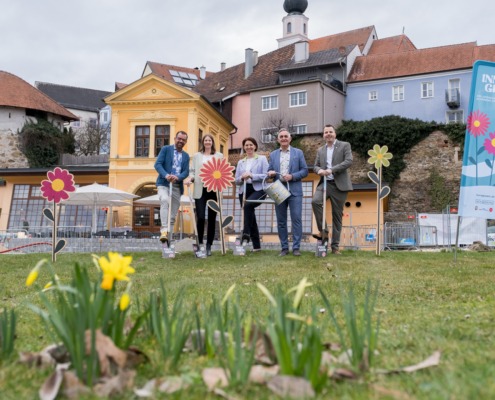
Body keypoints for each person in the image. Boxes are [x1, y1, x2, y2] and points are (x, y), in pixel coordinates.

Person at [311, 124, 353, 255]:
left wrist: (331, 169)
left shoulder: (344, 145)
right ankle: (324, 232)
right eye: (325, 132)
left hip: (339, 185)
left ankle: (335, 247)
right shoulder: (320, 150)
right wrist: (320, 171)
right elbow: (315, 166)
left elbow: (348, 161)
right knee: (315, 202)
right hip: (325, 183)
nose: (328, 134)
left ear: (335, 133)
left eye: (330, 132)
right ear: (323, 135)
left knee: (337, 216)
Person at [267, 129, 308, 256]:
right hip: (278, 189)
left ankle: (296, 248)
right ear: (278, 139)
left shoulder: (298, 152)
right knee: (281, 221)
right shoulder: (273, 154)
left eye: (286, 136)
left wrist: (292, 176)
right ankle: (284, 248)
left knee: (296, 219)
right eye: (281, 137)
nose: (284, 138)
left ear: (290, 139)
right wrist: (270, 172)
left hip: (295, 190)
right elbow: (269, 171)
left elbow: (305, 171)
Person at [184, 134, 223, 256]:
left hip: (214, 190)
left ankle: (209, 245)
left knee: (212, 219)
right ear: (203, 142)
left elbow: (223, 171)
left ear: (212, 142)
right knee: (200, 217)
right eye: (205, 140)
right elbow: (193, 171)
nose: (207, 142)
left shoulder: (219, 156)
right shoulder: (197, 156)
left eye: (209, 140)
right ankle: (200, 242)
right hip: (200, 189)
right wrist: (190, 178)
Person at [154, 130, 190, 243]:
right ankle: (164, 230)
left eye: (183, 140)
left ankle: (167, 241)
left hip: (176, 186)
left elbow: (186, 172)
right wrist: (166, 175)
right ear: (175, 138)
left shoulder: (186, 156)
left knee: (173, 216)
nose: (181, 141)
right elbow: (157, 164)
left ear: (186, 142)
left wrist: (178, 177)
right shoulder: (166, 149)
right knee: (164, 200)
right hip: (164, 183)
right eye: (179, 138)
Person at [235, 137, 269, 252]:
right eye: (246, 145)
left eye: (251, 145)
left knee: (248, 206)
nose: (249, 147)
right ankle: (257, 246)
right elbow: (236, 180)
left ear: (255, 146)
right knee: (251, 217)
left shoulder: (262, 159)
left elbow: (266, 176)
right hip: (244, 190)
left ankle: (246, 233)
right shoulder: (241, 162)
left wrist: (252, 175)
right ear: (244, 147)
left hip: (258, 189)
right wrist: (242, 177)